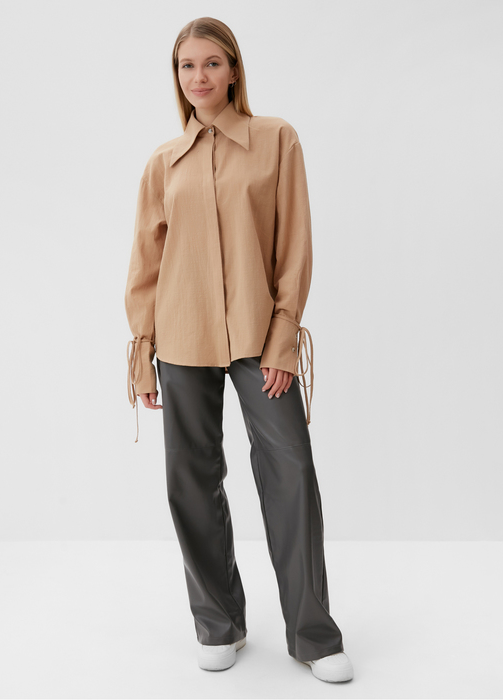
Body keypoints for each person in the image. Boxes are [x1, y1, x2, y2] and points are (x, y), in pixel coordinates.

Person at [124, 16, 354, 684]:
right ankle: (218, 623)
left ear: (233, 70)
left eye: (211, 63)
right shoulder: (163, 163)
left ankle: (313, 634)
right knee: (190, 479)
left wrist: (283, 338)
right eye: (186, 65)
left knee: (291, 472)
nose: (198, 77)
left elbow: (294, 245)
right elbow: (146, 263)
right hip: (181, 336)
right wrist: (143, 352)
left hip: (260, 337)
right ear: (177, 76)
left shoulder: (276, 140)